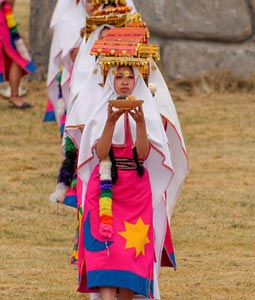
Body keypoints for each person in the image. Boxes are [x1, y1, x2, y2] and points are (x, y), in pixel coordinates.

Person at [76, 63, 177, 299]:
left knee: (130, 254)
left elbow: (142, 154)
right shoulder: (100, 110)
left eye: (129, 77)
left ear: (136, 82)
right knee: (105, 250)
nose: (124, 81)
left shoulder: (147, 112)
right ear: (110, 80)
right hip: (104, 189)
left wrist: (141, 123)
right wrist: (110, 122)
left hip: (135, 192)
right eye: (118, 76)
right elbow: (101, 153)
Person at [0, 0, 35, 109]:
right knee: (16, 57)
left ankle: (15, 96)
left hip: (5, 20)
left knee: (16, 57)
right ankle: (14, 96)